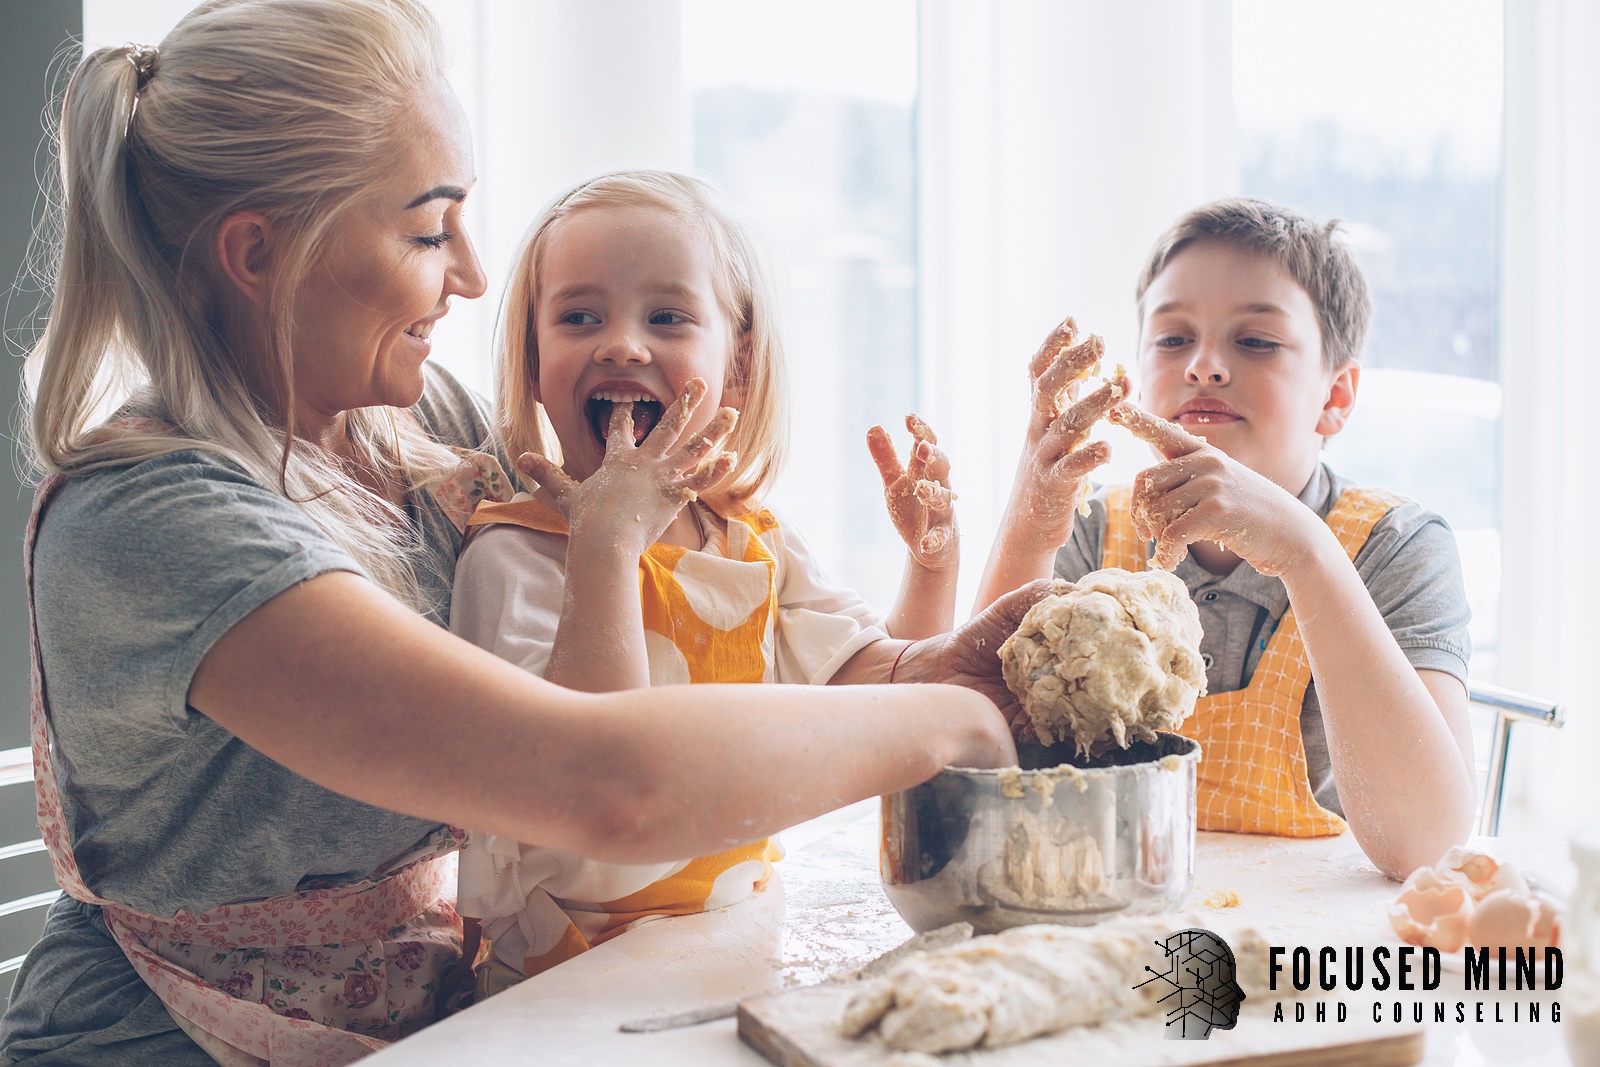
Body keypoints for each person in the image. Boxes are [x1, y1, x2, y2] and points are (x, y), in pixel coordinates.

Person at [1, 3, 1027, 1064]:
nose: (476, 275)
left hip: (420, 1013)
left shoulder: (406, 422)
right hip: (163, 1040)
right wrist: (951, 717)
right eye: (426, 228)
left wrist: (935, 647)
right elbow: (602, 781)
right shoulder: (155, 522)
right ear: (259, 253)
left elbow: (640, 571)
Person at [447, 170, 965, 988]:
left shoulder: (752, 537)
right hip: (563, 973)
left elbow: (873, 682)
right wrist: (608, 543)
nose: (620, 343)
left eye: (666, 316)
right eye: (579, 317)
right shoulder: (512, 554)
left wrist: (936, 574)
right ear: (534, 358)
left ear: (739, 360)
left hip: (731, 940)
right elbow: (589, 779)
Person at [976, 198, 1475, 881]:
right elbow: (977, 752)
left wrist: (1305, 550)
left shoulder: (1396, 547)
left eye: (1256, 341)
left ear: (1337, 395)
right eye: (1173, 339)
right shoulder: (1091, 532)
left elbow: (1425, 845)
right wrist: (1032, 518)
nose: (1205, 366)